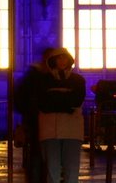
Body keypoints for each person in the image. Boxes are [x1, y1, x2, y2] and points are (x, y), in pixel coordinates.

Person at [36, 47, 86, 183]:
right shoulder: (43, 80)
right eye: (58, 58)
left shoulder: (78, 80)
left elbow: (76, 101)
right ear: (52, 61)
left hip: (71, 130)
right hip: (50, 130)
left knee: (71, 168)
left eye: (64, 57)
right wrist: (66, 102)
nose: (62, 61)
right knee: (52, 170)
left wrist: (54, 98)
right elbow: (42, 103)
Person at [14, 54, 49, 183]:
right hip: (41, 121)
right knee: (42, 155)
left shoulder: (28, 77)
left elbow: (19, 99)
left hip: (32, 120)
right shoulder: (43, 78)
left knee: (35, 155)